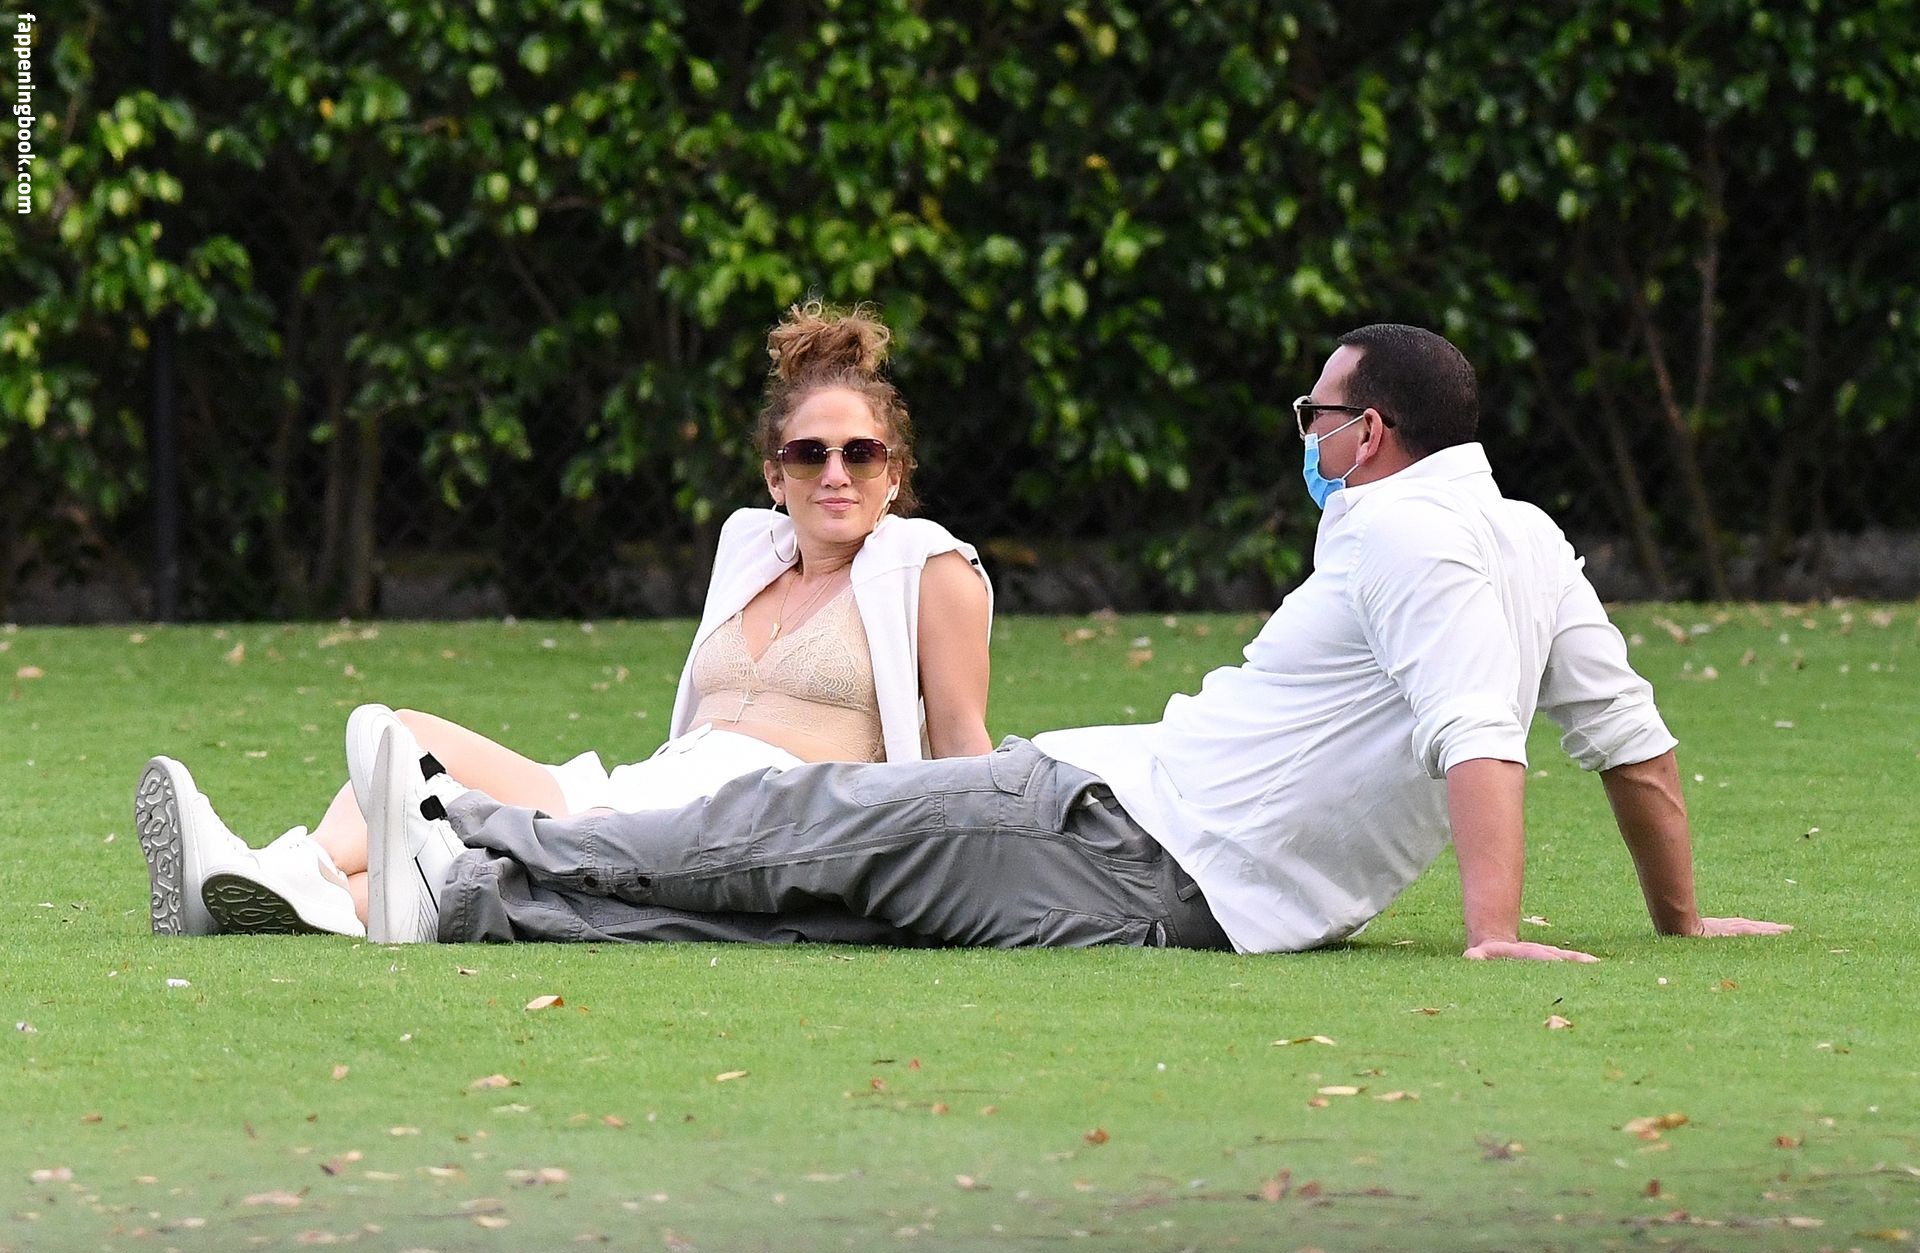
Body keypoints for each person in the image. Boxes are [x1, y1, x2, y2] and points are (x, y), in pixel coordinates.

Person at [367, 323, 1792, 959]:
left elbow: (1479, 732)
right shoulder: (1529, 539)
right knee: (830, 905)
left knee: (803, 828)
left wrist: (1493, 938)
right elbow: (1634, 749)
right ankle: (476, 895)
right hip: (1178, 894)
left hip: (1118, 830)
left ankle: (473, 836)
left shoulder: (1405, 533)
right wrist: (1677, 919)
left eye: (1313, 415)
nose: (1301, 435)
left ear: (1367, 434)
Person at [135, 302, 994, 940]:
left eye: (861, 454)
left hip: (749, 830)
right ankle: (261, 885)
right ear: (776, 476)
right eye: (810, 454)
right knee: (401, 741)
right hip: (644, 792)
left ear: (894, 474)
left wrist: (985, 887)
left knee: (438, 812)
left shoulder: (928, 570)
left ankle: (258, 870)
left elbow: (963, 751)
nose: (835, 473)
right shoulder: (752, 557)